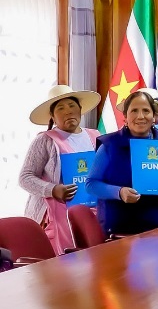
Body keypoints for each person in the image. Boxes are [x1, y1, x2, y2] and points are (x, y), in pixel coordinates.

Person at [86, 89, 158, 236]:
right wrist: (119, 192)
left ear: (154, 117)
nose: (140, 116)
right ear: (125, 117)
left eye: (146, 111)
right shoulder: (109, 145)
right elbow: (91, 184)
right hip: (123, 228)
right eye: (134, 111)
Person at [19, 84, 102, 254]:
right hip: (59, 215)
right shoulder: (45, 140)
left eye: (72, 106)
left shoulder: (96, 136)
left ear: (80, 109)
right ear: (52, 116)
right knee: (66, 263)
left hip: (93, 209)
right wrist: (53, 189)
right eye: (61, 108)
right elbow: (25, 177)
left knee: (95, 259)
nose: (68, 112)